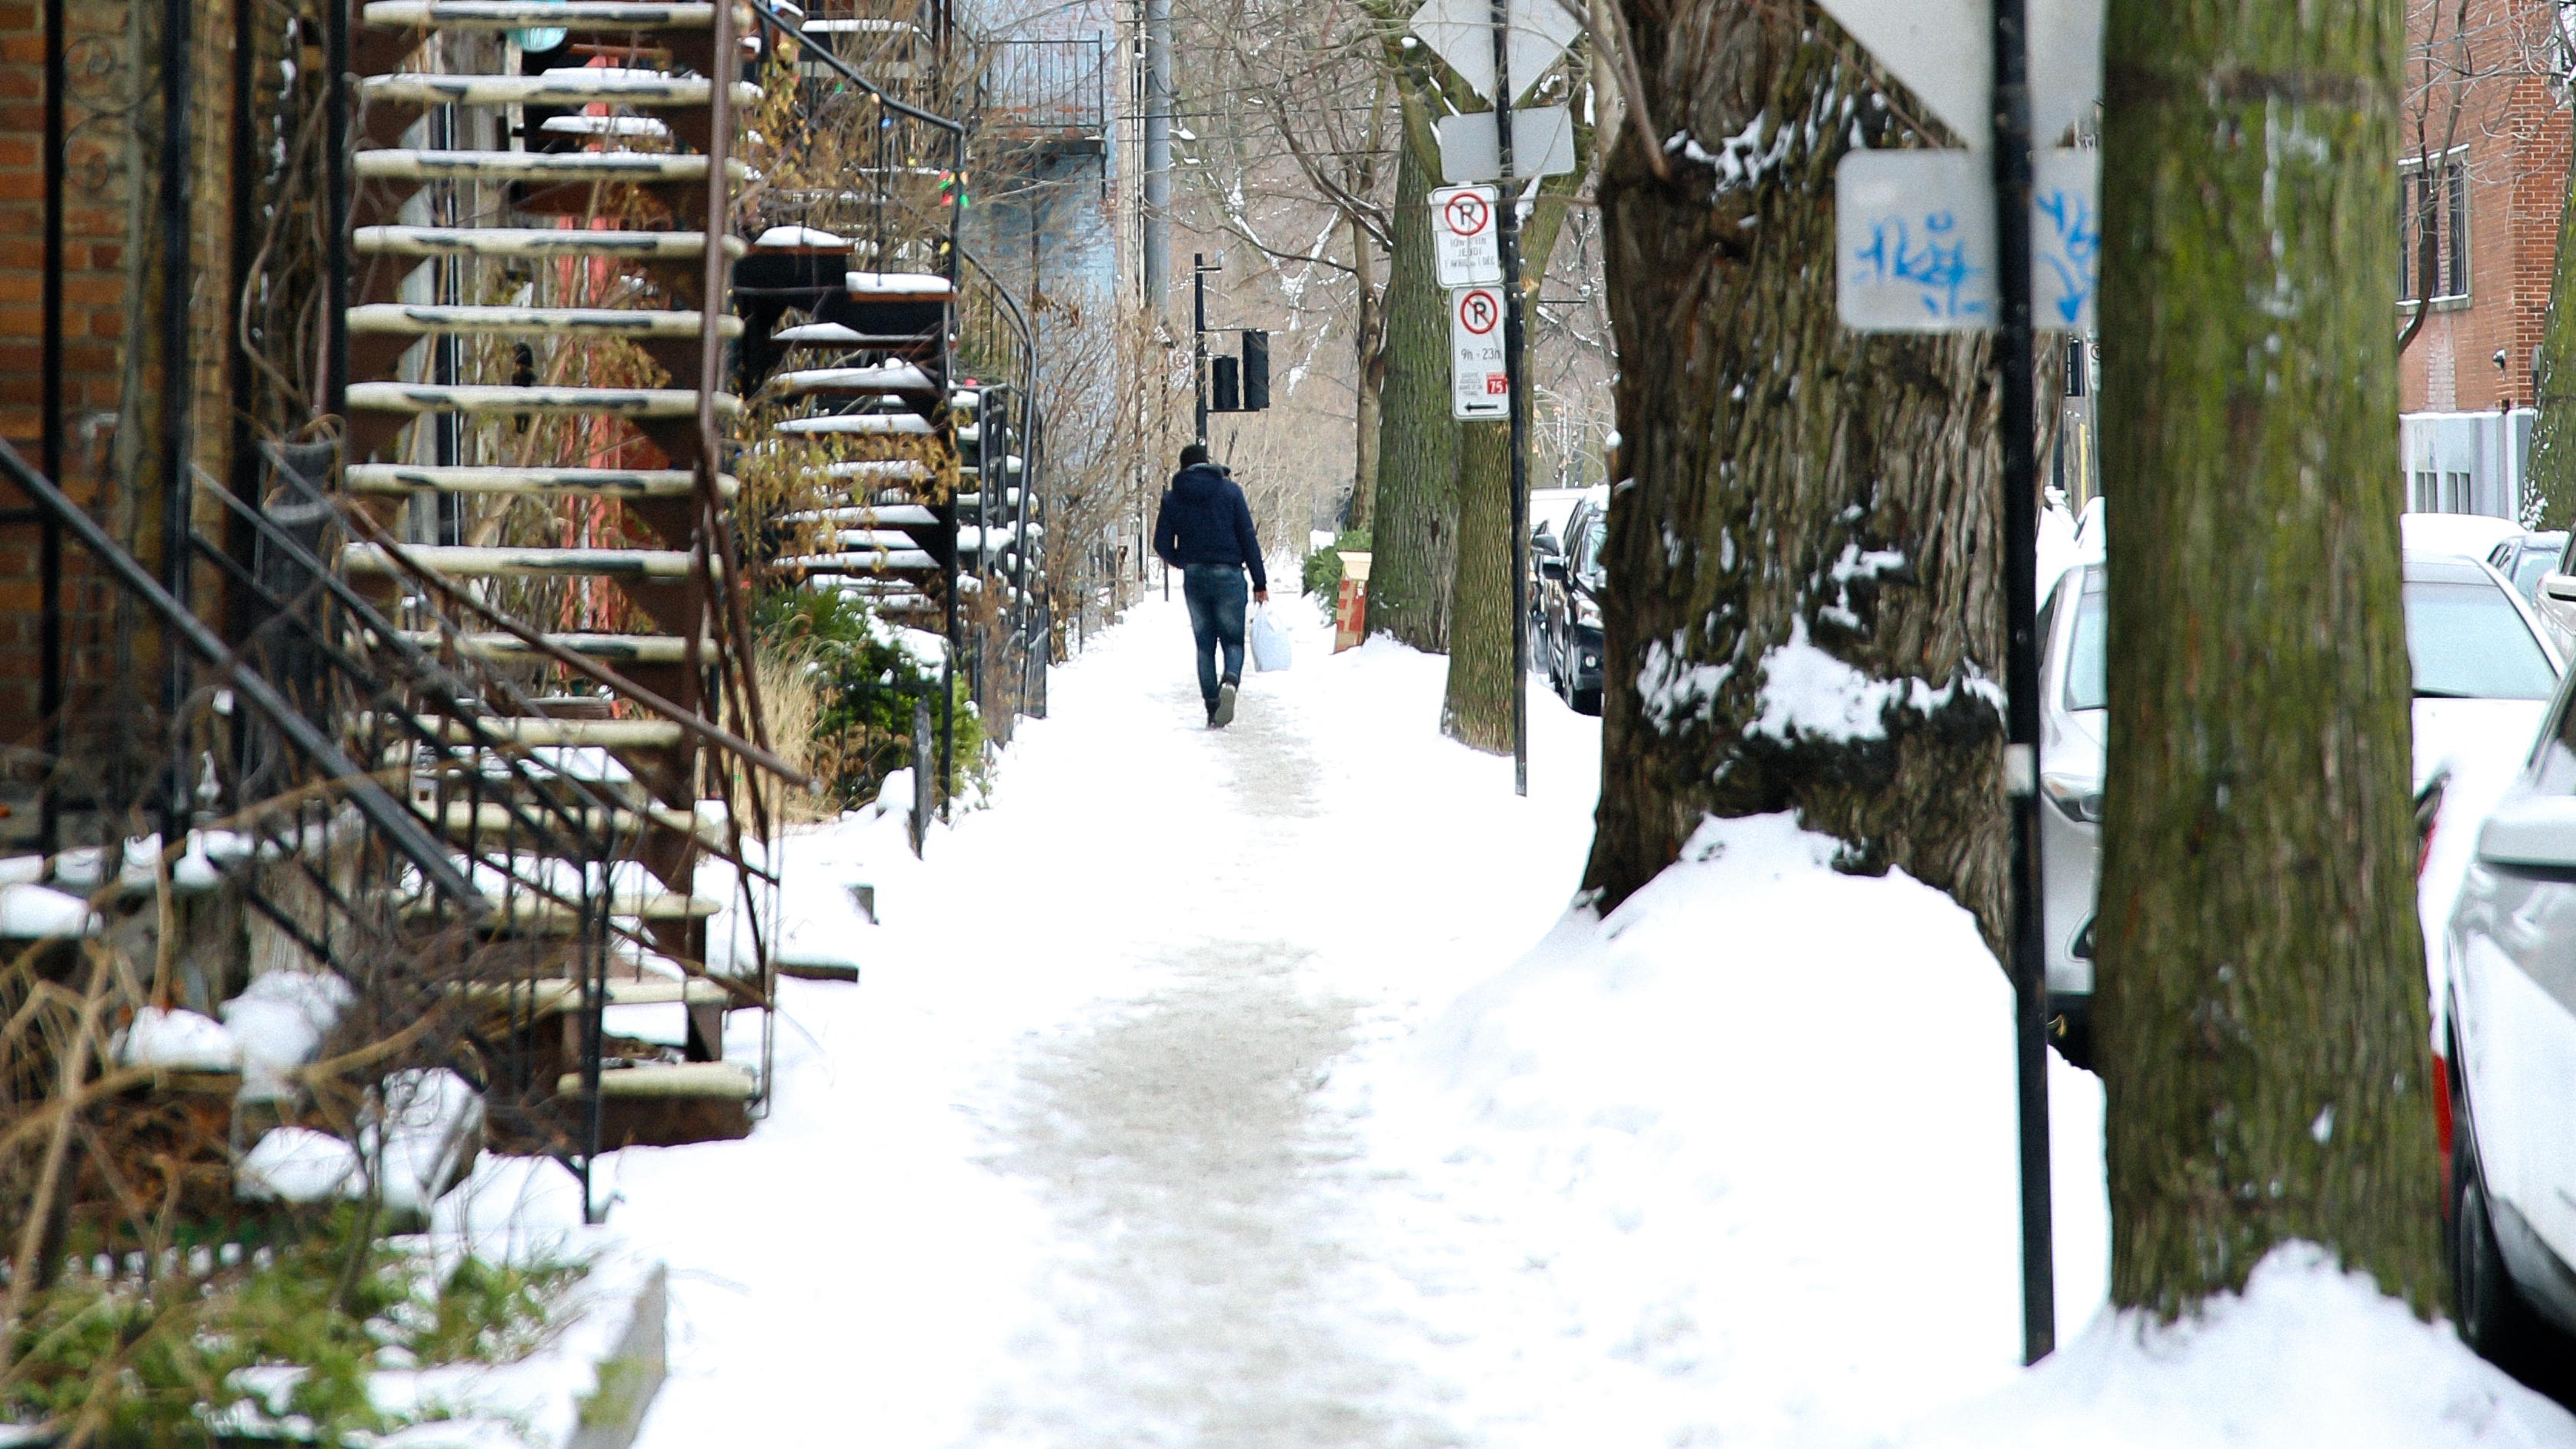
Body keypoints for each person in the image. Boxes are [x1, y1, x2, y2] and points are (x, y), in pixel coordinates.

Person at [1153, 442, 1268, 727]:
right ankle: (1229, 680)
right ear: (1207, 462)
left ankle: (1211, 707)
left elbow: (1161, 544)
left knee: (1205, 646)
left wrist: (1183, 560)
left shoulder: (1172, 498)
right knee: (1232, 640)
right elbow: (1247, 538)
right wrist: (1260, 582)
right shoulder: (1230, 492)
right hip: (1229, 574)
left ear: (1183, 468)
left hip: (1195, 577)